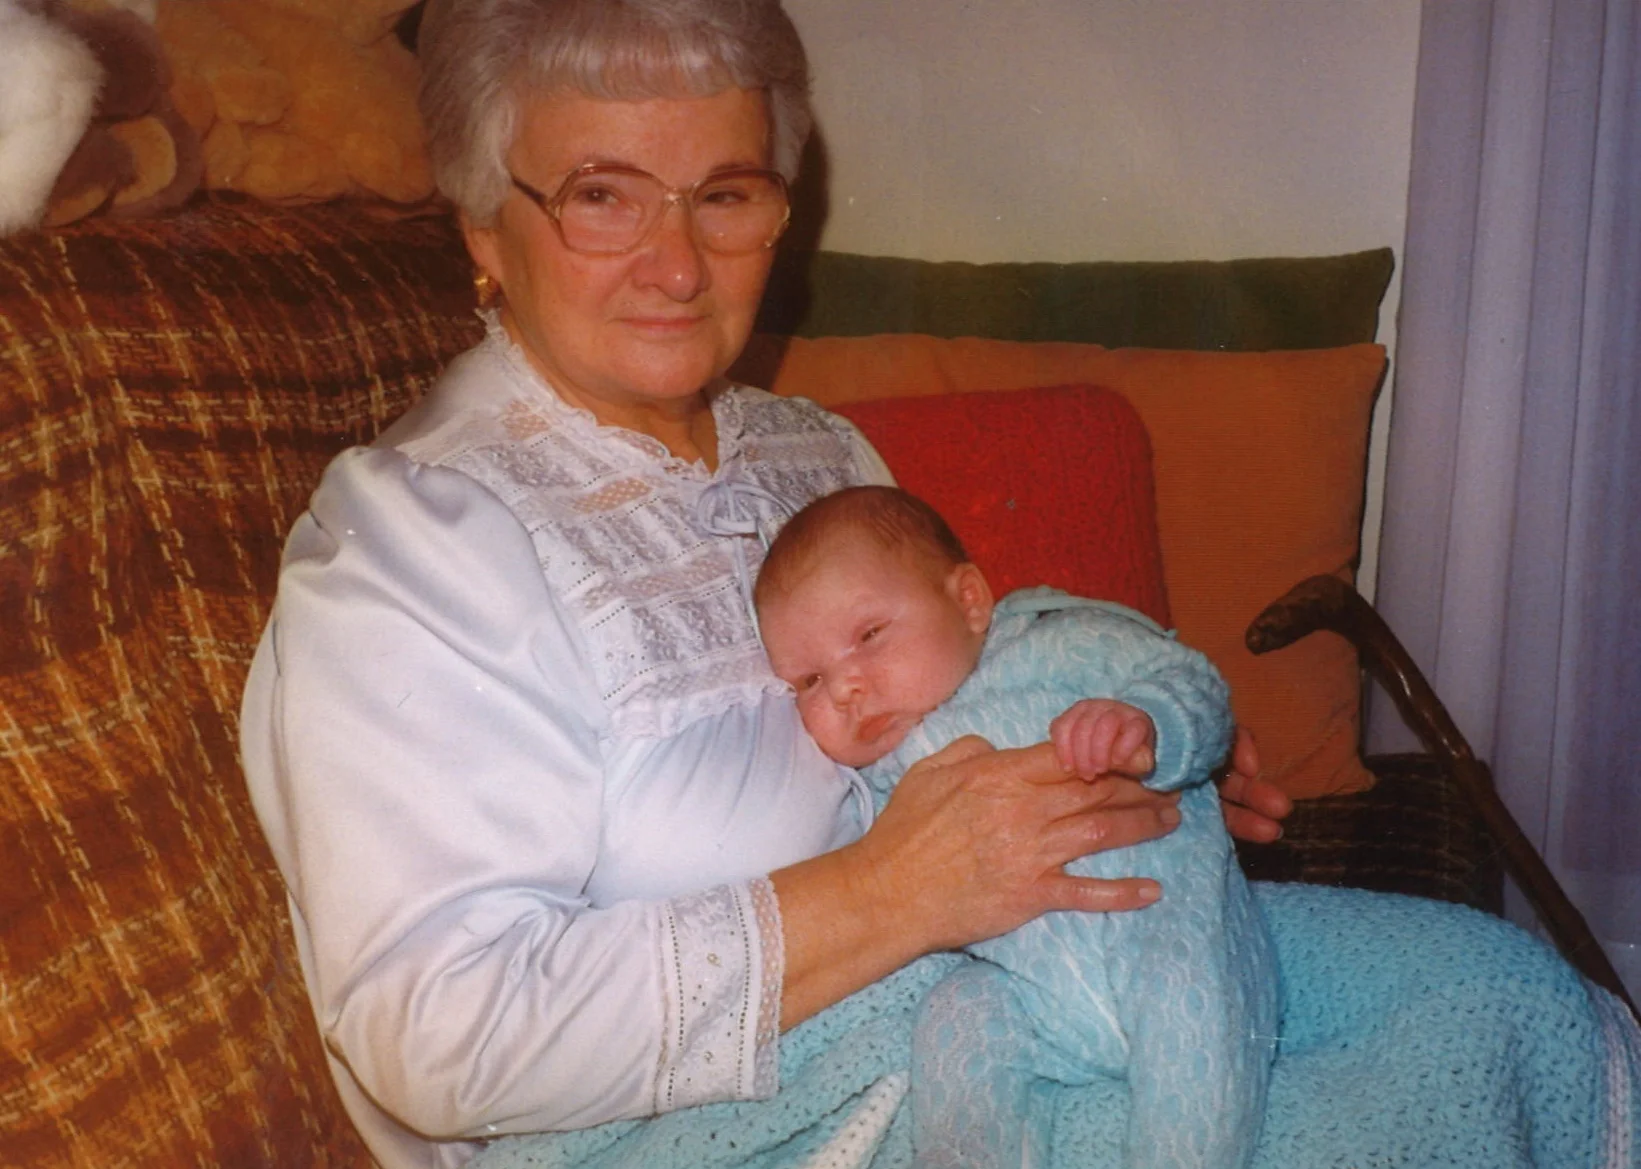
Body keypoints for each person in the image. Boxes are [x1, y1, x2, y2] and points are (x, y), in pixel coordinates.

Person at [237, 2, 1639, 1168]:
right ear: (485, 228)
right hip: (739, 1108)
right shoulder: (417, 540)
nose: (675, 262)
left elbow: (965, 660)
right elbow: (440, 1035)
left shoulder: (813, 447)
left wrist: (1117, 743)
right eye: (602, 195)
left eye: (724, 193)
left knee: (1495, 993)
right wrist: (893, 892)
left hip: (1023, 947)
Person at [753, 485, 1278, 1169]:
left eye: (870, 635)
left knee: (1185, 1000)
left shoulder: (1059, 643)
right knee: (958, 1013)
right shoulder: (867, 780)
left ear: (970, 601)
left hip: (1165, 923)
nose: (846, 688)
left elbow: (1192, 682)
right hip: (1030, 996)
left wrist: (1149, 723)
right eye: (809, 681)